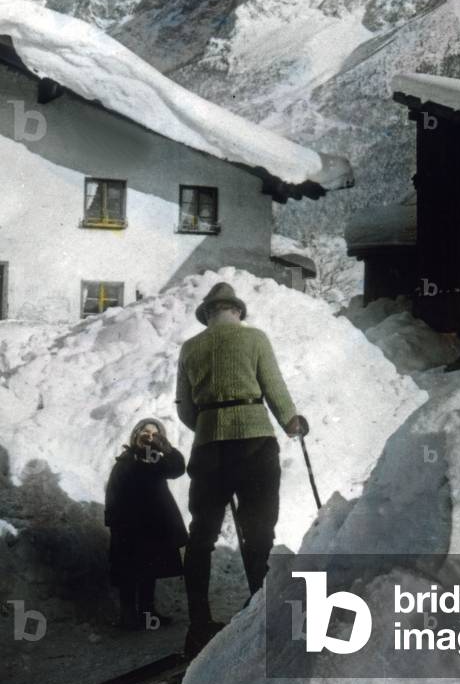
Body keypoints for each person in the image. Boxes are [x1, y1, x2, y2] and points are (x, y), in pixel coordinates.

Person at [175, 281, 309, 658]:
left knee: (201, 535)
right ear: (235, 311)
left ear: (208, 314)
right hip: (254, 443)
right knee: (259, 529)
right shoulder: (255, 339)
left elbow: (184, 407)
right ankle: (261, 615)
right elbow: (273, 386)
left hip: (208, 449)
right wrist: (291, 421)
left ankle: (198, 625)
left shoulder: (190, 347)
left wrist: (208, 426)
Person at [104, 418, 187, 630]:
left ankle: (148, 614)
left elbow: (177, 469)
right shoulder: (126, 460)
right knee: (128, 572)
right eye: (145, 434)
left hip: (153, 527)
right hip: (129, 527)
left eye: (155, 435)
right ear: (135, 437)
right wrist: (113, 520)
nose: (149, 439)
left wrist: (165, 449)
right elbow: (113, 492)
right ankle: (128, 616)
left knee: (150, 570)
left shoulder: (157, 462)